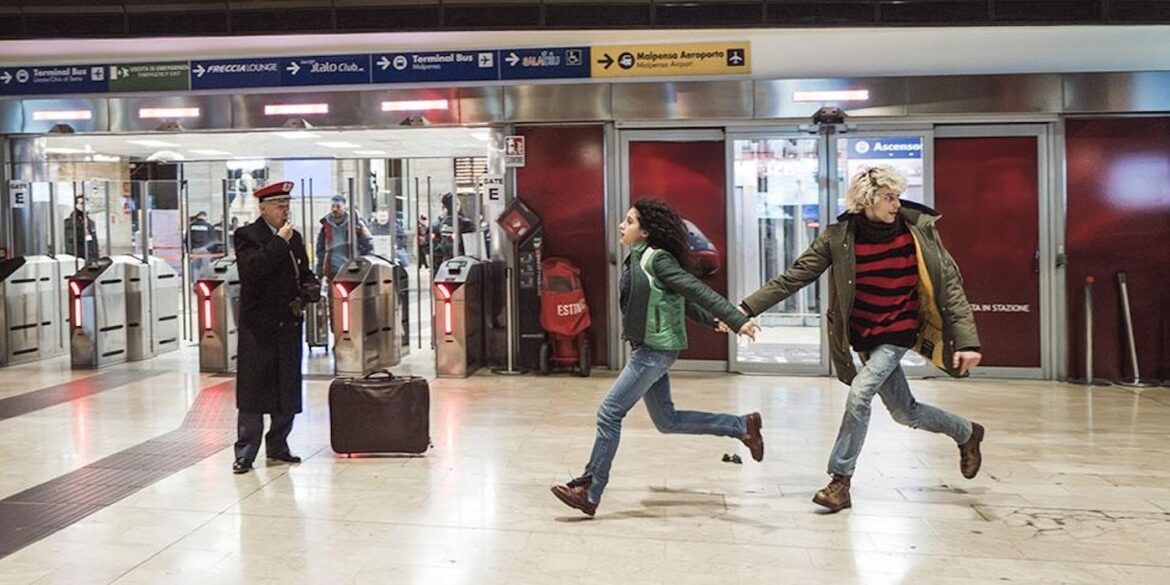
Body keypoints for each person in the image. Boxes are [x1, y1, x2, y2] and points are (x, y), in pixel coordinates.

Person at [733, 166, 985, 512]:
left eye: (897, 196)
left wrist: (968, 341)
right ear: (867, 200)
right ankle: (967, 432)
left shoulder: (918, 231)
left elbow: (950, 286)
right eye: (889, 198)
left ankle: (840, 481)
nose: (896, 204)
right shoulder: (839, 237)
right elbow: (793, 278)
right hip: (865, 336)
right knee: (905, 412)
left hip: (899, 330)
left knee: (861, 392)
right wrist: (745, 309)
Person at [550, 199, 763, 517]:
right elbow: (677, 299)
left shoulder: (656, 259)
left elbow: (694, 290)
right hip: (648, 349)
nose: (623, 225)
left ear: (646, 231)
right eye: (625, 220)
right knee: (667, 421)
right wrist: (712, 320)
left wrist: (735, 319)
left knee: (609, 413)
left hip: (653, 352)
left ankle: (589, 490)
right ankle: (741, 426)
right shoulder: (638, 257)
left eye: (630, 221)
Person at [231, 181, 321, 475]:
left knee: (286, 389)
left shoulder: (294, 238)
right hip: (259, 327)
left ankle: (279, 445)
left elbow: (304, 270)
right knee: (254, 392)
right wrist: (279, 242)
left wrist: (310, 286)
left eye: (287, 204)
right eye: (279, 205)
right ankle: (246, 452)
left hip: (289, 324)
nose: (285, 210)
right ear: (263, 207)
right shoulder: (247, 236)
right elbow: (253, 271)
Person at [314, 195, 373, 280]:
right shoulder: (325, 226)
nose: (335, 209)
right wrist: (319, 272)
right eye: (332, 206)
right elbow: (320, 250)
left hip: (352, 270)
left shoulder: (355, 223)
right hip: (331, 271)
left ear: (344, 207)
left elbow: (368, 243)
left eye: (338, 206)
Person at [430, 193, 476, 267]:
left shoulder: (439, 224)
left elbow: (433, 246)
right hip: (462, 261)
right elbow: (472, 247)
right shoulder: (466, 223)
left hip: (445, 262)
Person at [63, 195, 99, 261]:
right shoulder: (70, 222)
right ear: (76, 205)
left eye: (86, 204)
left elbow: (94, 241)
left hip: (90, 257)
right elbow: (70, 243)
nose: (85, 206)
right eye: (82, 203)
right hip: (78, 258)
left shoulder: (91, 222)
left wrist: (95, 256)